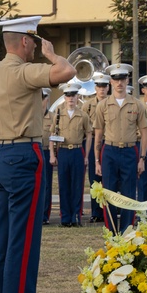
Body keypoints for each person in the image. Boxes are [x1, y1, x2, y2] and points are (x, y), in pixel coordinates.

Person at [0, 16, 74, 293]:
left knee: (1, 241)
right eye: (34, 40)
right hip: (24, 156)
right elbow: (67, 72)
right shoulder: (24, 72)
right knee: (24, 242)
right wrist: (53, 54)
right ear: (26, 42)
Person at [93, 63, 147, 231]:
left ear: (127, 80)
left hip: (129, 151)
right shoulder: (102, 105)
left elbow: (144, 133)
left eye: (122, 79)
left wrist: (142, 159)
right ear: (111, 81)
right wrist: (96, 160)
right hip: (109, 151)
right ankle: (110, 232)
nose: (119, 83)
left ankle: (127, 232)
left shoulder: (137, 105)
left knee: (129, 194)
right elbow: (98, 134)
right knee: (108, 193)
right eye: (116, 79)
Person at [49, 81, 93, 227]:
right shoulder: (58, 114)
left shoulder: (83, 115)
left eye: (73, 95)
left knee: (77, 185)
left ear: (77, 96)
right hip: (63, 152)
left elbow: (89, 134)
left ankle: (76, 216)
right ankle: (65, 217)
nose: (71, 98)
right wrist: (52, 154)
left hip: (76, 150)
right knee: (63, 185)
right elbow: (52, 135)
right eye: (68, 95)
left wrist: (86, 155)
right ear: (64, 97)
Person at [85, 72, 110, 223]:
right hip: (93, 140)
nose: (101, 89)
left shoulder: (111, 103)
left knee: (107, 178)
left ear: (108, 87)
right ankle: (96, 212)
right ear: (95, 87)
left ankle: (107, 211)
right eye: (99, 86)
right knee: (94, 179)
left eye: (104, 86)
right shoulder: (87, 106)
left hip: (108, 141)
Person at [41, 88, 54, 225]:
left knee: (46, 185)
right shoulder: (31, 115)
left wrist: (52, 153)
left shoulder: (53, 117)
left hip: (46, 151)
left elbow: (54, 136)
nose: (41, 101)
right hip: (34, 150)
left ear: (47, 99)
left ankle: (45, 215)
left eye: (43, 98)